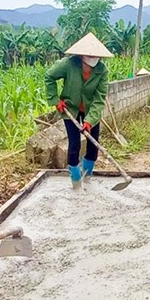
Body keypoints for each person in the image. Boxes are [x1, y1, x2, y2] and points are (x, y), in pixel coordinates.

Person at [45, 33, 114, 189]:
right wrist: (55, 100)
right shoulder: (68, 64)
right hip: (71, 108)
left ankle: (87, 179)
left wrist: (90, 120)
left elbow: (99, 98)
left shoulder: (102, 71)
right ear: (81, 57)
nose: (90, 67)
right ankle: (76, 182)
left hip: (91, 110)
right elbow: (49, 76)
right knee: (74, 144)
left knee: (93, 145)